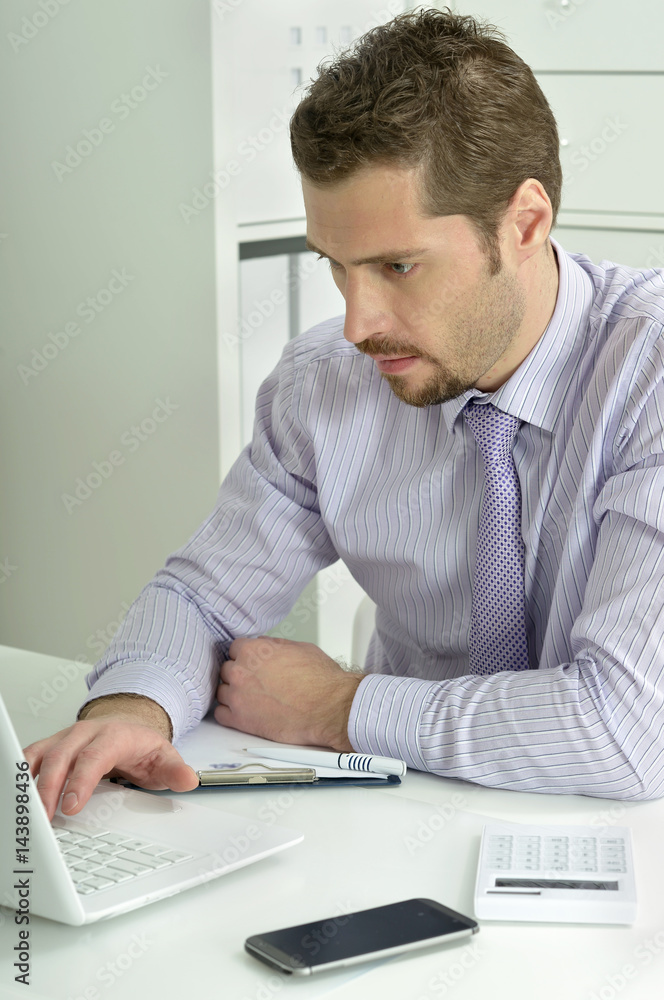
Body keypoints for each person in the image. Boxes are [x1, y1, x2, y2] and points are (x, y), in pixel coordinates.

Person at [27, 7, 664, 820]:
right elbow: (203, 597)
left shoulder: (649, 373)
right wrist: (131, 709)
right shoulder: (324, 383)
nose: (358, 324)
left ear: (525, 223)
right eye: (334, 266)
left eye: (399, 266)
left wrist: (340, 707)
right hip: (403, 820)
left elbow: (625, 730)